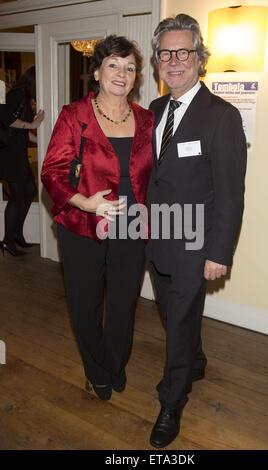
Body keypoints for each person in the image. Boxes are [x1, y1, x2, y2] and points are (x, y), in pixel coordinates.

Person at [146, 14, 247, 447]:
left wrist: (219, 252)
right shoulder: (151, 111)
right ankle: (196, 360)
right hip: (154, 237)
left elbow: (230, 194)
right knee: (172, 315)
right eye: (165, 53)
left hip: (195, 242)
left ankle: (172, 400)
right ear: (157, 61)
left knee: (181, 320)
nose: (174, 61)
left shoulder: (221, 117)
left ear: (200, 59)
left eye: (183, 52)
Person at [41, 35, 154, 401]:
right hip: (83, 227)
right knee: (85, 304)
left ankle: (114, 362)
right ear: (96, 72)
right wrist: (84, 203)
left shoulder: (147, 119)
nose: (122, 73)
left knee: (124, 304)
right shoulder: (74, 116)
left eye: (130, 67)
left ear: (137, 77)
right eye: (113, 65)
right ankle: (96, 369)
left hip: (133, 226)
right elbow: (52, 171)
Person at [0, 66, 45, 256]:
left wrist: (40, 140)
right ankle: (8, 241)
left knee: (29, 191)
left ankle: (16, 234)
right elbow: (6, 119)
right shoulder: (17, 94)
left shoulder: (24, 97)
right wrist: (33, 124)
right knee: (18, 196)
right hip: (10, 155)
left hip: (17, 153)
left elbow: (20, 130)